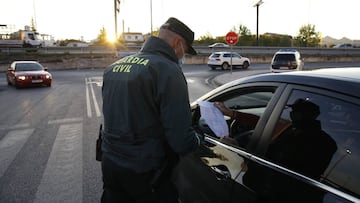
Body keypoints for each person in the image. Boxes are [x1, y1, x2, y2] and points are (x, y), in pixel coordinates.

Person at [101, 17, 201, 203]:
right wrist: (199, 138)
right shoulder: (168, 71)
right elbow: (181, 141)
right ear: (178, 43)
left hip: (111, 164)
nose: (183, 56)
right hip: (145, 172)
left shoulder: (113, 68)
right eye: (185, 51)